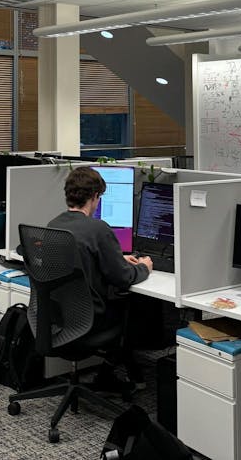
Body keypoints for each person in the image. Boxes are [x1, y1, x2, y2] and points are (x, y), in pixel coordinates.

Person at [48, 166, 152, 390]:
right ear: (95, 197)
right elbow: (123, 278)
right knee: (134, 307)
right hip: (89, 322)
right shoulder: (98, 229)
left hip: (58, 320)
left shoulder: (53, 225)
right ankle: (111, 372)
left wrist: (119, 260)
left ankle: (115, 373)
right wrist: (144, 267)